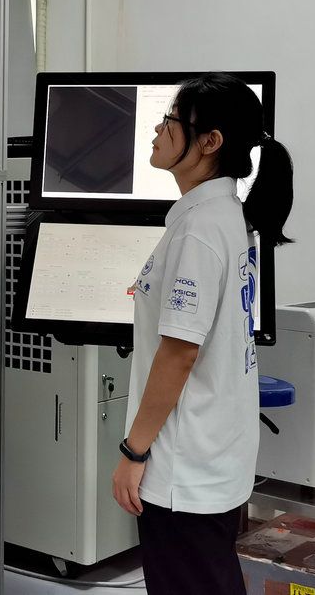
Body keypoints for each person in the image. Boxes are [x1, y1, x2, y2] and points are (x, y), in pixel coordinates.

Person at [112, 72, 294, 594]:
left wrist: (133, 453)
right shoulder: (223, 216)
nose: (157, 130)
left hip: (183, 465)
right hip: (213, 452)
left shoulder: (199, 230)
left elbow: (179, 354)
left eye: (171, 121)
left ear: (210, 141)